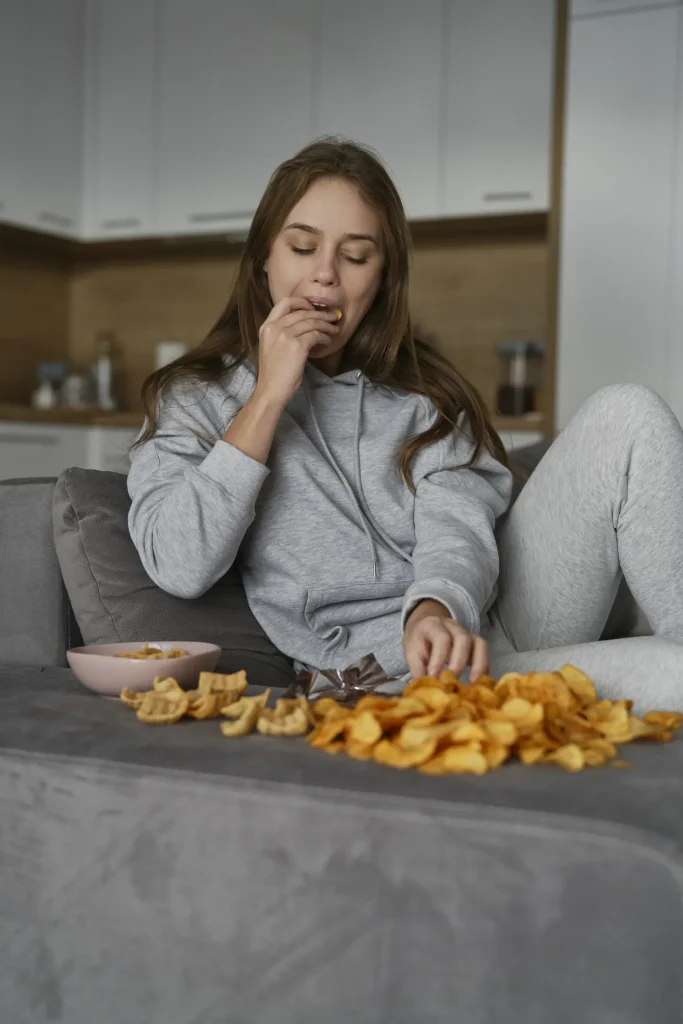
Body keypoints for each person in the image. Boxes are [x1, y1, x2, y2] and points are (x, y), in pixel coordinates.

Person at [127, 138, 683, 712]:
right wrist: (267, 396)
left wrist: (435, 608)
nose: (324, 275)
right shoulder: (194, 398)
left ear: (382, 278)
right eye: (301, 246)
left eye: (356, 256)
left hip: (492, 618)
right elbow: (179, 563)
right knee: (671, 675)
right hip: (384, 677)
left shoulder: (424, 394)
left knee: (628, 411)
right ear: (264, 257)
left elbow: (457, 523)